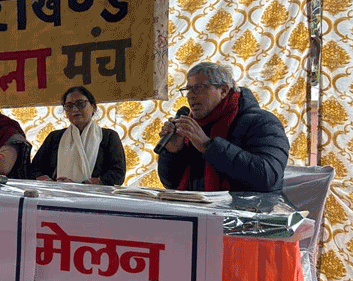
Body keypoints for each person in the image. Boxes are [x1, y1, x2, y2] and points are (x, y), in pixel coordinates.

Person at [157, 62, 289, 193]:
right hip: (196, 206)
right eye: (187, 90)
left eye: (198, 88)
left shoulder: (263, 122)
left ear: (223, 90)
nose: (189, 95)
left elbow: (267, 178)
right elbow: (171, 184)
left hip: (248, 207)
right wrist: (174, 152)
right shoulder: (191, 127)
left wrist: (208, 146)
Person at [30, 86, 126, 186]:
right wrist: (49, 182)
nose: (75, 109)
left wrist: (85, 184)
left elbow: (118, 173)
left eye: (80, 104)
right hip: (57, 194)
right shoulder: (54, 137)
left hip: (95, 195)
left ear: (93, 107)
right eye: (69, 106)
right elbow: (35, 169)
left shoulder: (109, 136)